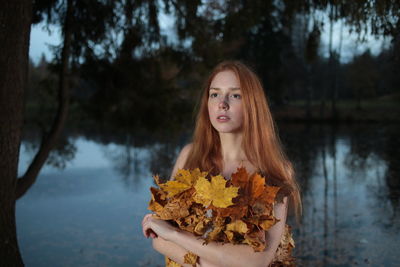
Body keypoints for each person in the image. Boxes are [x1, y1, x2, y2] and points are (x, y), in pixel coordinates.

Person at [142, 61, 302, 267]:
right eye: (215, 94)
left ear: (253, 104)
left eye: (235, 95)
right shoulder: (189, 156)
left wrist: (174, 233)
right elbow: (159, 240)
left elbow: (258, 261)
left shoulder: (274, 169)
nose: (222, 103)